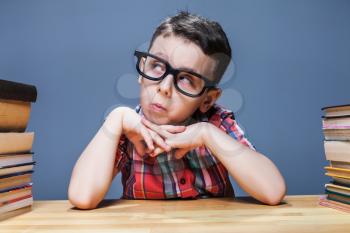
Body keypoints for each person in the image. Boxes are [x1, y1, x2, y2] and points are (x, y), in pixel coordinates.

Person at [68, 11, 286, 209]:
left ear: (207, 100)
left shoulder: (216, 122)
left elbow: (273, 191)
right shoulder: (128, 131)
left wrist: (207, 134)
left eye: (186, 79)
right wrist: (116, 119)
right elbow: (82, 197)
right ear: (142, 68)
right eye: (157, 65)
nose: (164, 88)